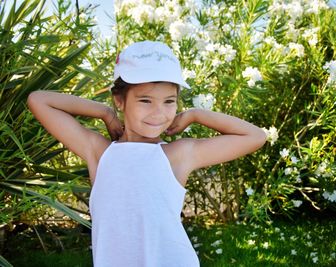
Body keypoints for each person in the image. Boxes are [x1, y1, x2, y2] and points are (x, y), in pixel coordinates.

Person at [27, 40, 267, 267]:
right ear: (120, 100)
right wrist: (105, 113)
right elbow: (39, 100)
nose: (158, 113)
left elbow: (255, 136)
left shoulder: (179, 154)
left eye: (169, 101)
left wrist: (195, 114)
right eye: (145, 100)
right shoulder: (100, 153)